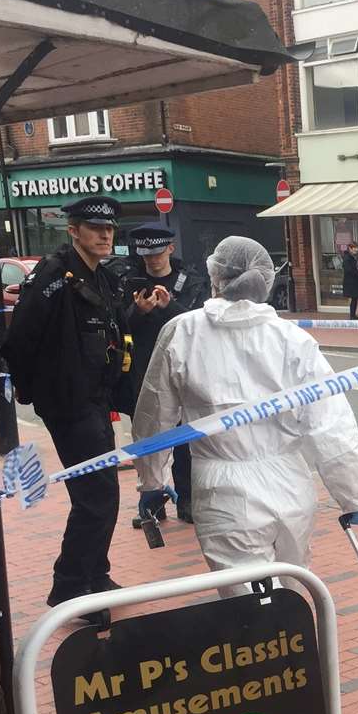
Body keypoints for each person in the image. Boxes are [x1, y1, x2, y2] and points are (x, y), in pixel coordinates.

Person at [131, 237, 358, 595]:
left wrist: (152, 481)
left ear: (216, 276)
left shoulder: (183, 332)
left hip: (223, 488)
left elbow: (154, 415)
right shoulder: (292, 339)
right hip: (291, 486)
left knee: (250, 610)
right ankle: (303, 650)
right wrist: (354, 496)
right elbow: (329, 424)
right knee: (294, 592)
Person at [1, 195, 139, 621]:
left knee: (103, 494)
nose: (104, 235)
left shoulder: (98, 275)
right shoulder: (54, 276)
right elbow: (19, 340)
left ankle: (95, 576)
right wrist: (38, 392)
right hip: (69, 401)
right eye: (95, 227)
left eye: (110, 228)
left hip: (94, 399)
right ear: (73, 230)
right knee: (95, 496)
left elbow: (110, 328)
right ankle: (70, 588)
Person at [122, 224, 208, 526]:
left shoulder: (193, 280)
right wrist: (139, 311)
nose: (152, 261)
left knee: (184, 440)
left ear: (170, 248)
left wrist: (169, 306)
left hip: (183, 368)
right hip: (143, 370)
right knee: (146, 437)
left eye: (157, 253)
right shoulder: (129, 281)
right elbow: (120, 324)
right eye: (146, 255)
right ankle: (152, 503)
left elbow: (197, 323)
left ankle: (187, 500)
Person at [341, 240, 358, 319]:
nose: (356, 250)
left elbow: (356, 266)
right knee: (353, 298)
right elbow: (349, 270)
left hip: (354, 282)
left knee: (355, 298)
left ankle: (353, 315)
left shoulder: (352, 257)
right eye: (355, 248)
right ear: (350, 248)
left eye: (357, 248)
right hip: (351, 282)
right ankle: (352, 316)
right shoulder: (347, 258)